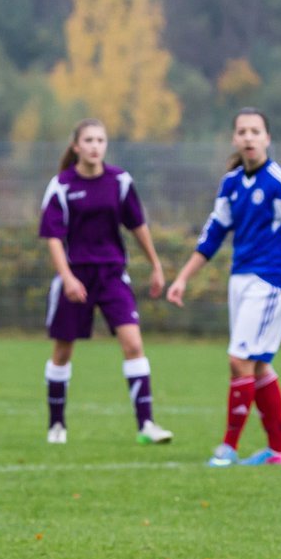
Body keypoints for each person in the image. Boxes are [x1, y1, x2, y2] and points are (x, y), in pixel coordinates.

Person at [167, 107, 281, 466]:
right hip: (241, 279)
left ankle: (228, 447)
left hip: (271, 280)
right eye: (242, 131)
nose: (248, 137)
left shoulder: (280, 181)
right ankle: (279, 451)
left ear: (267, 138)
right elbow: (213, 234)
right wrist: (182, 278)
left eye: (255, 131)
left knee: (239, 359)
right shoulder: (231, 183)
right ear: (234, 138)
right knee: (257, 365)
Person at [38, 118, 173, 446]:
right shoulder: (62, 185)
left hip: (112, 275)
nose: (95, 146)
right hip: (77, 277)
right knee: (62, 351)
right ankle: (57, 425)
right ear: (76, 146)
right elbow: (53, 238)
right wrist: (67, 277)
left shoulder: (120, 181)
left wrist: (155, 264)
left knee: (134, 345)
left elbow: (137, 225)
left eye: (100, 140)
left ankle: (146, 425)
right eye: (89, 140)